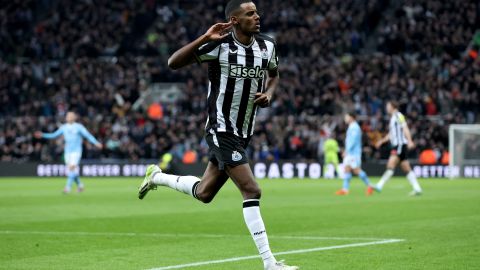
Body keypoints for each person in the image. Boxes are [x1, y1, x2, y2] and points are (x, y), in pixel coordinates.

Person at [137, 1, 298, 269]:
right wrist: (204, 37)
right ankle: (270, 263)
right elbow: (173, 62)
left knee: (205, 193)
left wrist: (269, 94)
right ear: (234, 20)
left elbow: (274, 75)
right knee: (251, 189)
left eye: (256, 12)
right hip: (221, 129)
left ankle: (157, 176)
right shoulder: (219, 46)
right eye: (250, 14)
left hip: (244, 131)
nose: (257, 17)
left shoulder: (267, 46)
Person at [34, 111, 103, 193]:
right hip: (67, 152)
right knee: (72, 171)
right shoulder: (64, 127)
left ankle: (67, 188)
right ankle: (80, 185)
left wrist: (96, 143)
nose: (68, 117)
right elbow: (54, 135)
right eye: (67, 116)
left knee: (72, 168)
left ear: (74, 118)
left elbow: (88, 135)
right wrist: (43, 135)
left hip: (76, 151)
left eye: (70, 116)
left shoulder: (79, 127)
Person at [374, 101, 423, 196]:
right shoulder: (393, 117)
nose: (386, 107)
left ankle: (379, 185)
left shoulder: (398, 115)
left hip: (400, 144)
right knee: (406, 167)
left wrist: (410, 141)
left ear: (392, 106)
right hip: (398, 145)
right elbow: (392, 133)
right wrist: (382, 141)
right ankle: (417, 188)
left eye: (388, 105)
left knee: (390, 164)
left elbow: (405, 128)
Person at [336, 111, 375, 195]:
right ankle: (345, 189)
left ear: (351, 117)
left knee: (356, 170)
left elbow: (353, 141)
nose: (345, 118)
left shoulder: (354, 127)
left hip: (353, 153)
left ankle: (370, 186)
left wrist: (346, 150)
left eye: (346, 116)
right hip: (350, 153)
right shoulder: (351, 126)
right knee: (347, 169)